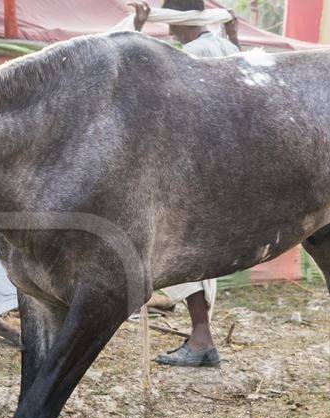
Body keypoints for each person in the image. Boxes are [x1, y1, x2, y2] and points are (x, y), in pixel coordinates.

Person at [129, 0, 239, 368]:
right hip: (225, 162)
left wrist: (137, 32)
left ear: (179, 19)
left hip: (196, 166)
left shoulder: (193, 51)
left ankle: (202, 338)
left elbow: (146, 83)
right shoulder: (224, 45)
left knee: (178, 253)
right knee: (196, 256)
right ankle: (201, 336)